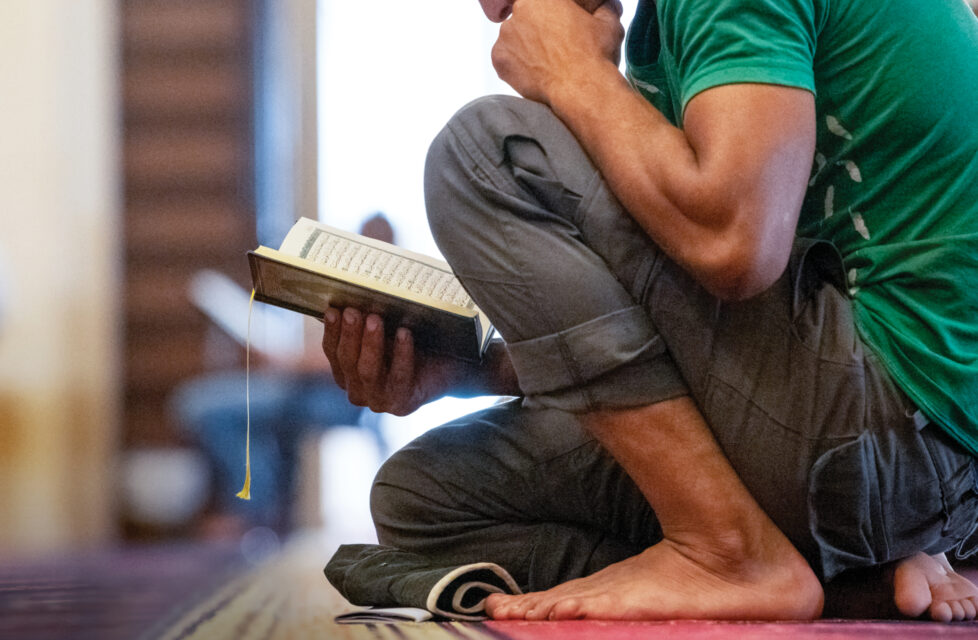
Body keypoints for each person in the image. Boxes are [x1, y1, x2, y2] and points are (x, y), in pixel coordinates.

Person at [320, 0, 978, 622]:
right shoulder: (667, 35)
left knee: (484, 151)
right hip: (876, 437)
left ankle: (727, 551)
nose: (494, 10)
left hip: (904, 429)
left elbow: (736, 244)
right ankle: (839, 580)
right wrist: (473, 371)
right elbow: (669, 328)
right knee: (424, 499)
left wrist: (575, 74)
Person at [172, 213, 395, 535]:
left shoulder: (387, 294)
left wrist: (286, 359)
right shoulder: (355, 284)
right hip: (306, 385)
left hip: (332, 396)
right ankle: (257, 509)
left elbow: (341, 358)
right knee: (214, 402)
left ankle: (248, 510)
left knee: (203, 406)